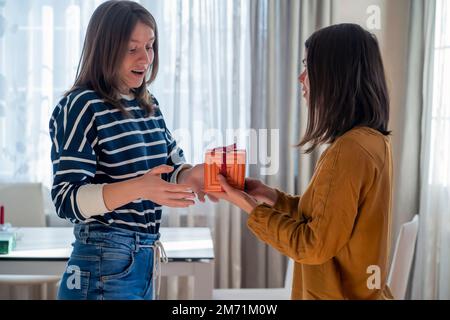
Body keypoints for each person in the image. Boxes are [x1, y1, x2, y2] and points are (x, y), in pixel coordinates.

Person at [208, 23, 394, 300]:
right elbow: (328, 221)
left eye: (309, 67)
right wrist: (268, 195)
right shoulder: (373, 142)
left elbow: (313, 245)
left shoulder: (349, 151)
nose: (301, 77)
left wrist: (248, 206)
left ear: (335, 76)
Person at [49, 0, 206, 300]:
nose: (145, 59)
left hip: (142, 261)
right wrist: (139, 188)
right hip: (101, 262)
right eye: (132, 48)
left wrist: (192, 174)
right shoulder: (82, 106)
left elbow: (170, 168)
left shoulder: (148, 105)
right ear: (105, 48)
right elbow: (66, 199)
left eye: (150, 46)